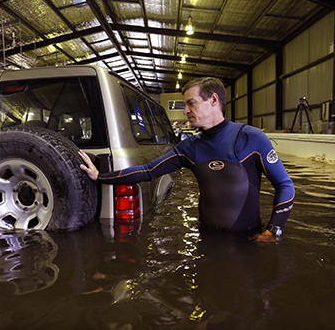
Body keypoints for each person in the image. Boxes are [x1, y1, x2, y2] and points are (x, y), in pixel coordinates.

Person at [79, 77, 294, 242]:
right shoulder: (189, 147)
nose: (186, 111)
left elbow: (284, 185)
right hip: (207, 239)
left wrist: (273, 230)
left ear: (213, 100)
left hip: (248, 240)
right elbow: (147, 171)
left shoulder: (250, 138)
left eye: (191, 104)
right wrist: (100, 176)